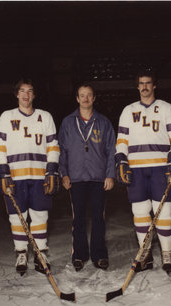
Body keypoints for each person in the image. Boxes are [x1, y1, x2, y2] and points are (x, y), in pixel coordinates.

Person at [115, 69, 171, 274]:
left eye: (148, 83)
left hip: (160, 169)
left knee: (164, 213)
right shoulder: (128, 110)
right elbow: (121, 141)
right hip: (136, 170)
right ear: (137, 86)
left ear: (154, 85)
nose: (144, 86)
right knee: (140, 213)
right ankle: (145, 254)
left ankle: (166, 253)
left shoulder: (166, 108)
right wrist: (121, 159)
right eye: (141, 83)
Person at [0, 78, 60, 275]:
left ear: (34, 95)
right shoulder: (6, 116)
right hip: (15, 176)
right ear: (17, 94)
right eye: (22, 91)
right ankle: (21, 253)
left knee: (40, 215)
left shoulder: (45, 117)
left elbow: (53, 147)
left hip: (39, 176)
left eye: (30, 91)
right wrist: (3, 172)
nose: (26, 95)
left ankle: (40, 253)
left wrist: (52, 169)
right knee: (17, 216)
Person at [58, 84, 116, 272]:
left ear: (94, 98)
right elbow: (62, 151)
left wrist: (110, 175)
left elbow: (111, 150)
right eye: (82, 96)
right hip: (75, 177)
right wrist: (64, 173)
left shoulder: (104, 122)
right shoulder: (68, 122)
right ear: (77, 98)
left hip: (98, 177)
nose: (85, 99)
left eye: (89, 95)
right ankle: (79, 255)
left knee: (99, 218)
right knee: (78, 219)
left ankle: (99, 255)